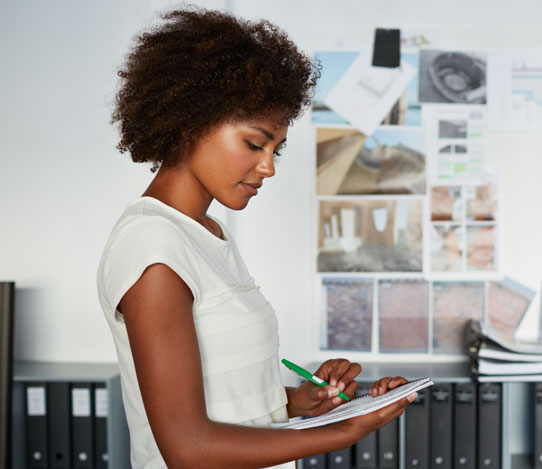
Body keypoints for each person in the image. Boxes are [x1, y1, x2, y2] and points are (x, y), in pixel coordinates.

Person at [98, 8, 413, 468]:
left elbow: (225, 395)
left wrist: (300, 403)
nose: (268, 167)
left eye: (275, 150)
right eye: (254, 144)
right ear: (189, 123)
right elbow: (187, 447)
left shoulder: (207, 234)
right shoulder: (153, 248)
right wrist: (342, 432)